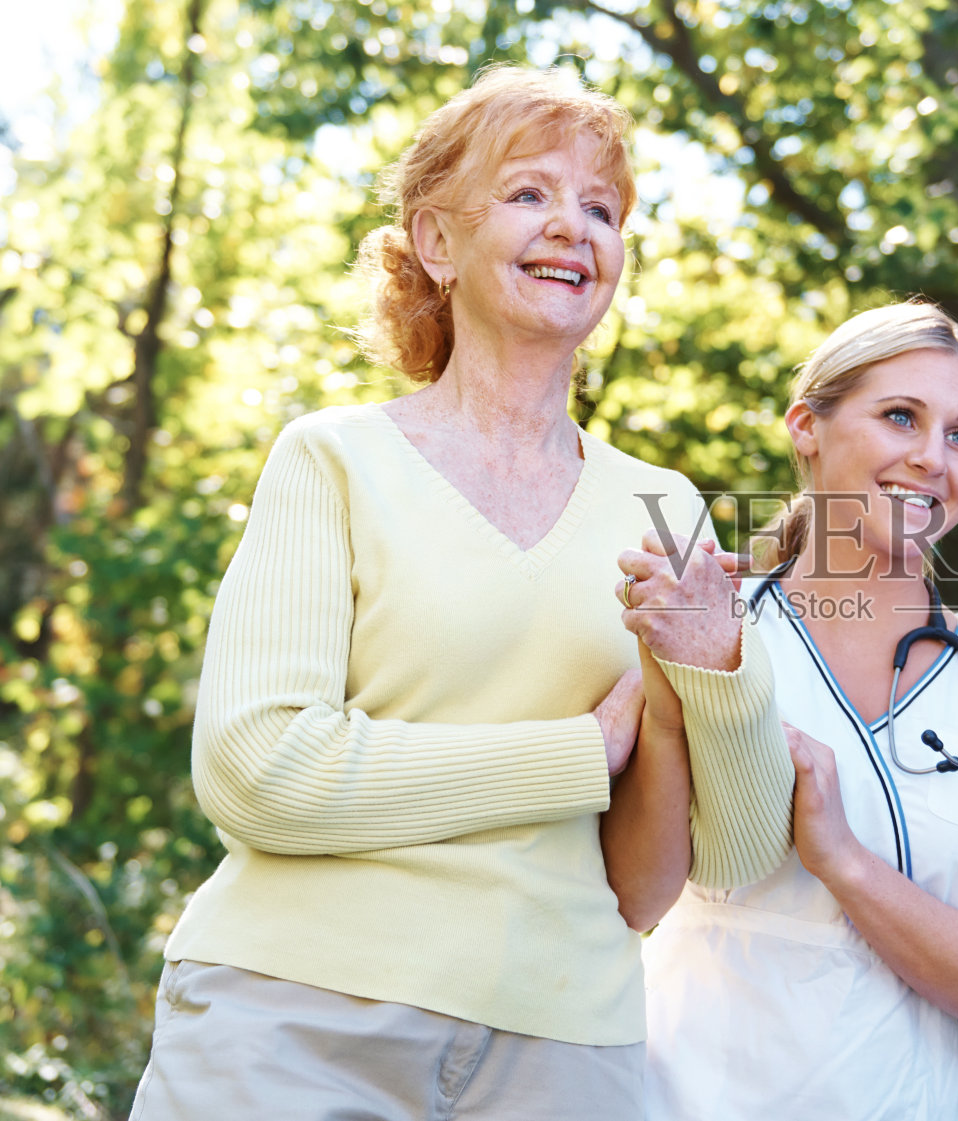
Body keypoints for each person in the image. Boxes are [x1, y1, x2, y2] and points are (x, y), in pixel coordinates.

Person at [130, 65, 793, 1121]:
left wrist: (717, 672)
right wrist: (579, 755)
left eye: (601, 208)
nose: (572, 227)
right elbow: (259, 770)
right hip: (296, 1020)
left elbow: (737, 849)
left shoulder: (664, 503)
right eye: (529, 193)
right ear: (436, 243)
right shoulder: (332, 460)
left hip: (566, 1048)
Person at [632, 302, 958, 1120]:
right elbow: (630, 896)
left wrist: (843, 858)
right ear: (806, 427)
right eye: (901, 416)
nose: (932, 458)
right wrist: (682, 689)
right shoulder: (710, 625)